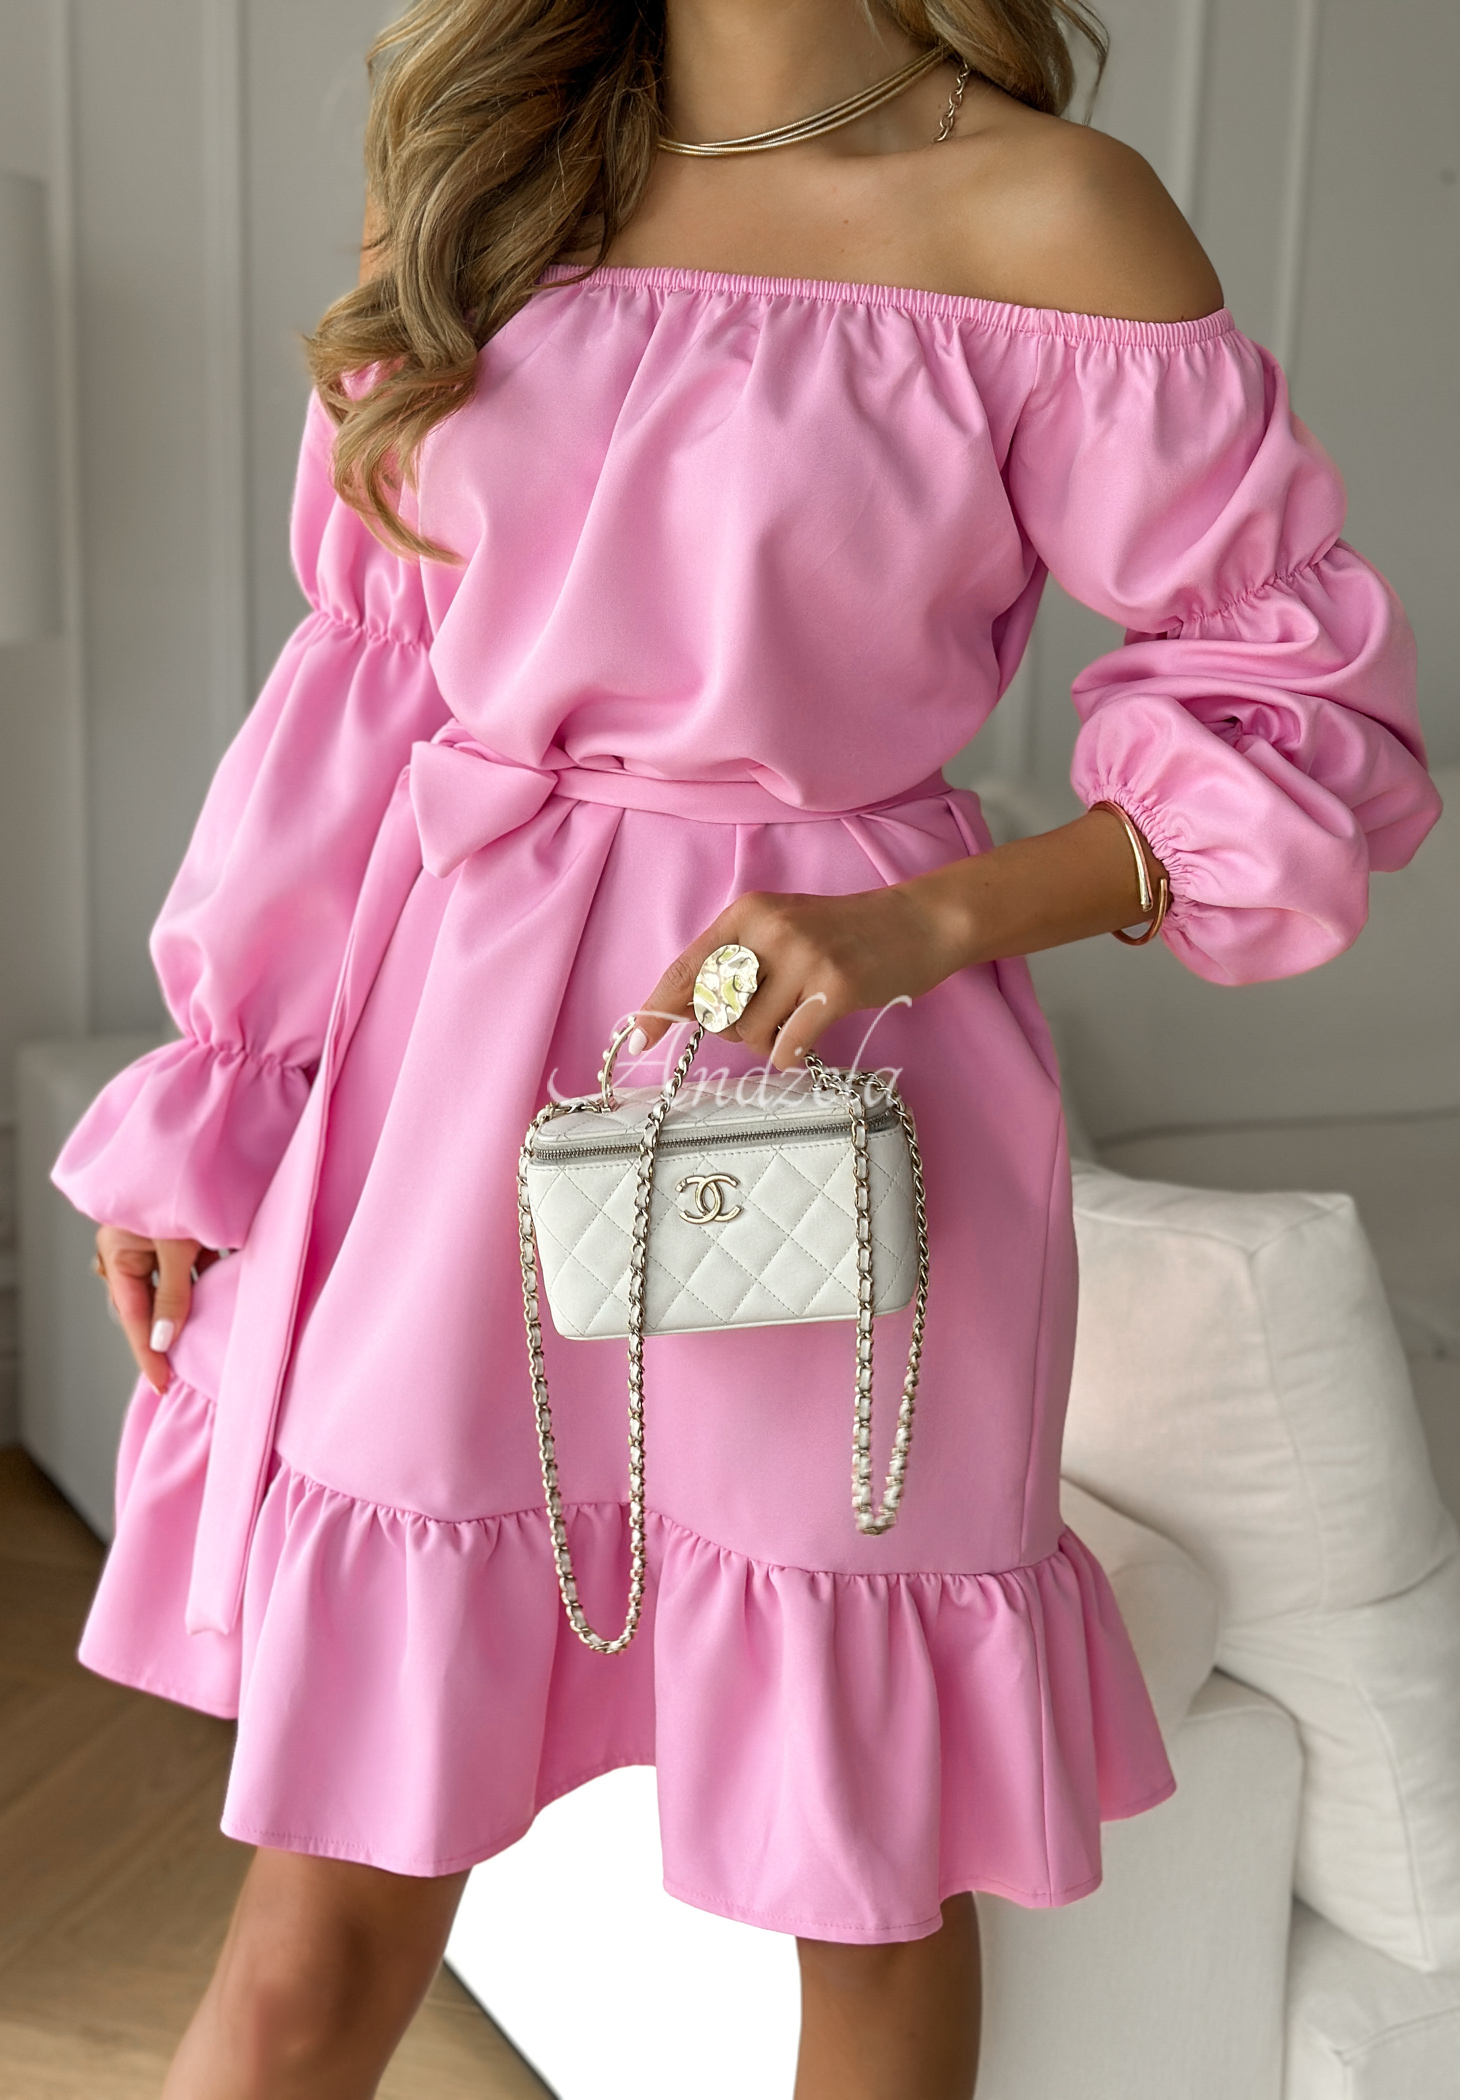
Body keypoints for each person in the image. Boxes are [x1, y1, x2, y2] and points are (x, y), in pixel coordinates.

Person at [56, 1, 1439, 2094]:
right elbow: (365, 683)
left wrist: (928, 917)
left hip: (844, 1087)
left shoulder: (1046, 215)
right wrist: (216, 1104)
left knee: (861, 1884)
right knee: (325, 1900)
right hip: (454, 1074)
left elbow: (1297, 713)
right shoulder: (491, 177)